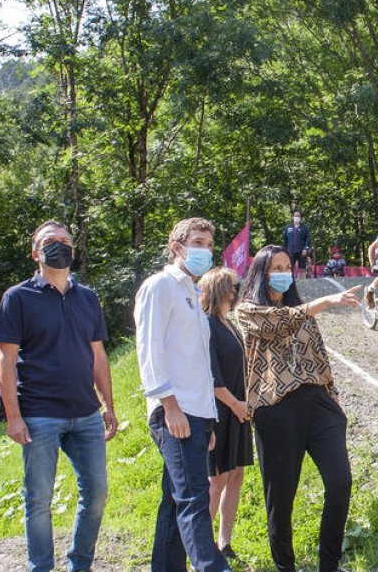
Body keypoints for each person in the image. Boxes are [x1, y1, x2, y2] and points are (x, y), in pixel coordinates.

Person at [0, 220, 116, 572]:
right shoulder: (17, 298)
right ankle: (42, 568)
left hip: (86, 412)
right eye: (50, 241)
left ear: (74, 250)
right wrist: (13, 416)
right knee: (39, 500)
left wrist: (108, 405)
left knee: (96, 494)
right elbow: (6, 360)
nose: (59, 246)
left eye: (65, 241)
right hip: (38, 413)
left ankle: (80, 564)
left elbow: (98, 356)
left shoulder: (88, 297)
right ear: (35, 252)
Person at [234, 246, 361, 572]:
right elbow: (280, 323)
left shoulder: (299, 308)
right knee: (281, 499)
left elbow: (317, 353)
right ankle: (285, 567)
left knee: (340, 481)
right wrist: (327, 301)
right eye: (275, 267)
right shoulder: (247, 311)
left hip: (319, 407)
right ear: (261, 273)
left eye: (287, 266)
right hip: (275, 410)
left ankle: (329, 566)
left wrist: (331, 393)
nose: (283, 272)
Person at [134, 218, 230, 572]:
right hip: (174, 411)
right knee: (194, 499)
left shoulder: (192, 292)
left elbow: (197, 361)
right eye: (198, 242)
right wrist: (170, 407)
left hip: (196, 412)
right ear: (177, 247)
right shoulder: (160, 286)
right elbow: (149, 350)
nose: (205, 250)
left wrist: (208, 419)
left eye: (209, 244)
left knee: (175, 502)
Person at [198, 268, 253, 563]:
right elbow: (211, 378)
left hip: (238, 410)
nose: (237, 292)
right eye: (233, 287)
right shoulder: (205, 325)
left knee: (236, 475)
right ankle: (203, 546)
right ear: (220, 290)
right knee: (215, 480)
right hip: (219, 411)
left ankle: (224, 543)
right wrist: (235, 404)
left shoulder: (227, 323)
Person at [282, 210, 311, 278]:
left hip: (301, 252)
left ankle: (303, 283)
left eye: (298, 216)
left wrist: (305, 249)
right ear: (292, 217)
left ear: (300, 218)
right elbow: (285, 240)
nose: (297, 217)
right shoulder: (288, 227)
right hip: (290, 251)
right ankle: (290, 285)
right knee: (289, 268)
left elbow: (308, 239)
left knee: (302, 268)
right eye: (295, 216)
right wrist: (284, 251)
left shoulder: (304, 227)